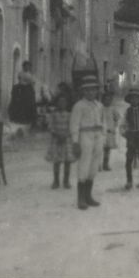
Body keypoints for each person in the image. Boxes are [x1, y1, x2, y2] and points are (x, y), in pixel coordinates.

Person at [70, 76, 105, 210]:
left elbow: (103, 123)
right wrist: (75, 142)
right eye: (88, 90)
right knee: (84, 165)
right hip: (85, 135)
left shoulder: (99, 105)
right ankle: (81, 199)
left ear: (97, 91)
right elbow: (74, 124)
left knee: (94, 166)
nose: (91, 93)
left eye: (93, 90)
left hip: (98, 136)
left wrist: (103, 137)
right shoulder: (79, 106)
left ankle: (89, 196)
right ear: (83, 92)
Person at [45, 93, 74, 189]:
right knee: (56, 161)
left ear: (67, 104)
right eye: (60, 102)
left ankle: (66, 181)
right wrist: (57, 135)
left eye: (64, 102)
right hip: (56, 140)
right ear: (56, 103)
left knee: (67, 161)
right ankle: (56, 181)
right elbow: (50, 126)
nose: (62, 104)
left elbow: (72, 127)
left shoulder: (70, 115)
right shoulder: (53, 115)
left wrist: (66, 135)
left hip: (67, 140)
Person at [8, 60, 38, 125]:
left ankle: (31, 116)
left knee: (31, 100)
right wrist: (26, 84)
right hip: (22, 88)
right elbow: (21, 81)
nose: (27, 67)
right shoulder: (21, 73)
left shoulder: (30, 74)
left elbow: (33, 83)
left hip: (29, 88)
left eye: (28, 66)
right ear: (23, 67)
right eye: (25, 66)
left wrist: (31, 86)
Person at [101, 89, 121, 171]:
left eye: (109, 100)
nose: (107, 101)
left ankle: (105, 164)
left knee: (107, 149)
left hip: (109, 131)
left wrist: (114, 125)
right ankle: (98, 164)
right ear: (103, 100)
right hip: (101, 131)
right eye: (106, 99)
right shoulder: (100, 108)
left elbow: (117, 118)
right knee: (99, 148)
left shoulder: (113, 109)